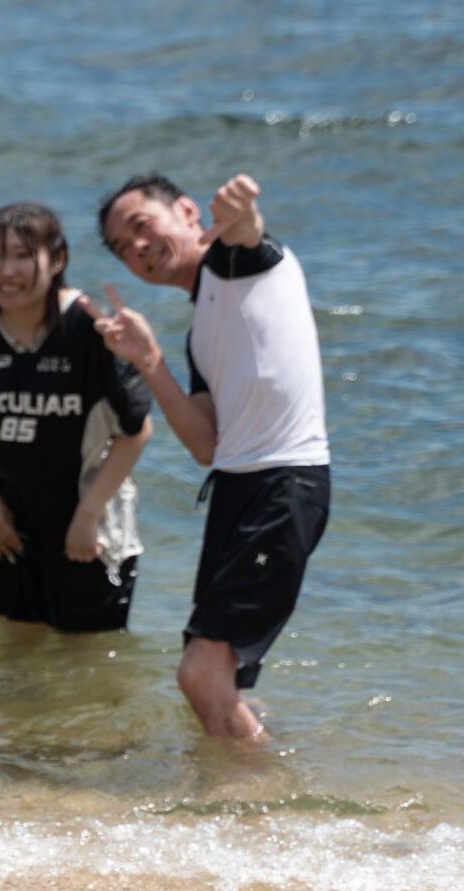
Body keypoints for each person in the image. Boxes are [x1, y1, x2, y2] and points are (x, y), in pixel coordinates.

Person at [88, 173, 331, 740]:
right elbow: (205, 444)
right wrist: (149, 360)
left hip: (283, 482)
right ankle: (251, 778)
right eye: (122, 248)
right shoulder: (202, 326)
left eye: (142, 226)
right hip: (237, 489)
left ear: (188, 212)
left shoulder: (234, 262)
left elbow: (248, 231)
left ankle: (258, 786)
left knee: (200, 675)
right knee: (221, 679)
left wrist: (240, 211)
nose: (137, 248)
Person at [0, 203, 153, 632]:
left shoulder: (88, 328)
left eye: (22, 255)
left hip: (90, 531)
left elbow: (137, 431)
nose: (6, 271)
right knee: (7, 656)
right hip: (8, 531)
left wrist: (87, 515)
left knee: (85, 663)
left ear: (57, 260)